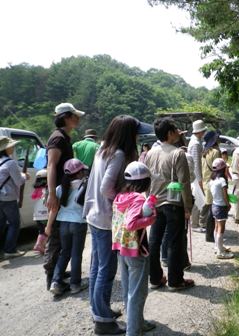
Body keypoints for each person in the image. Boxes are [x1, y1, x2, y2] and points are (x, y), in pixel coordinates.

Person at [83, 115, 152, 335]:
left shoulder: (103, 148)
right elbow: (106, 187)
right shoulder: (119, 154)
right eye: (135, 133)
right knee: (106, 269)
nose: (137, 136)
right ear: (127, 134)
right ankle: (102, 321)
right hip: (105, 218)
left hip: (93, 214)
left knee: (97, 267)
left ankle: (99, 310)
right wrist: (122, 204)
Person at [145, 117, 195, 292]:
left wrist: (148, 200)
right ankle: (175, 280)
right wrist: (188, 207)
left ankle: (155, 278)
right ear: (169, 133)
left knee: (154, 240)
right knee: (174, 242)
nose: (177, 132)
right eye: (175, 129)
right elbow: (184, 183)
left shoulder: (150, 154)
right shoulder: (177, 153)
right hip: (174, 203)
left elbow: (146, 180)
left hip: (155, 202)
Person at [112, 161, 157, 335]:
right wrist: (150, 219)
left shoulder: (120, 196)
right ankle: (133, 331)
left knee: (128, 291)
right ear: (145, 182)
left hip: (120, 248)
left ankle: (138, 322)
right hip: (136, 250)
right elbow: (131, 224)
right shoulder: (138, 198)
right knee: (138, 293)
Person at [44, 102, 84, 290]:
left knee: (62, 238)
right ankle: (53, 277)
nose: (78, 119)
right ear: (66, 117)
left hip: (63, 190)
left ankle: (57, 275)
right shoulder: (58, 138)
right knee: (56, 239)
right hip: (59, 191)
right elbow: (51, 165)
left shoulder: (64, 137)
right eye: (75, 115)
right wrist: (52, 193)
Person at [47, 159, 89, 296]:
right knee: (76, 254)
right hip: (78, 224)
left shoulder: (60, 188)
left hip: (63, 224)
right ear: (79, 173)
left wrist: (48, 226)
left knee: (65, 252)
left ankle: (56, 281)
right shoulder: (86, 186)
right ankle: (75, 284)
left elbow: (53, 210)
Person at [0, 136, 30, 259]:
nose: (13, 147)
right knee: (14, 223)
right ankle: (9, 250)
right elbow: (18, 181)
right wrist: (25, 176)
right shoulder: (10, 163)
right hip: (8, 198)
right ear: (6, 149)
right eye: (11, 146)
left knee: (1, 224)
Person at [210, 158, 233, 259]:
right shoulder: (222, 180)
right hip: (221, 206)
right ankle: (220, 252)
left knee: (216, 227)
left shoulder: (213, 180)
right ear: (223, 169)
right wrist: (228, 204)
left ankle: (217, 247)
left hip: (214, 205)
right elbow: (224, 195)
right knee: (221, 229)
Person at [201, 130, 221, 241]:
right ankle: (209, 235)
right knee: (213, 211)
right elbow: (217, 169)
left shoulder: (204, 151)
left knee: (209, 208)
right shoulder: (216, 152)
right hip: (213, 183)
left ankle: (209, 234)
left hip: (205, 182)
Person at [188, 119, 207, 232]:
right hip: (195, 177)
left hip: (194, 176)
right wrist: (199, 180)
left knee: (197, 198)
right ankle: (194, 224)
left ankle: (195, 223)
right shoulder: (195, 144)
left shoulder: (195, 141)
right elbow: (196, 164)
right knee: (197, 199)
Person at [31, 169, 49, 255]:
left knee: (41, 231)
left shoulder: (36, 190)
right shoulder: (47, 189)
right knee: (48, 231)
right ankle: (42, 246)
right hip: (46, 215)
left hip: (37, 215)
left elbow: (33, 197)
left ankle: (38, 245)